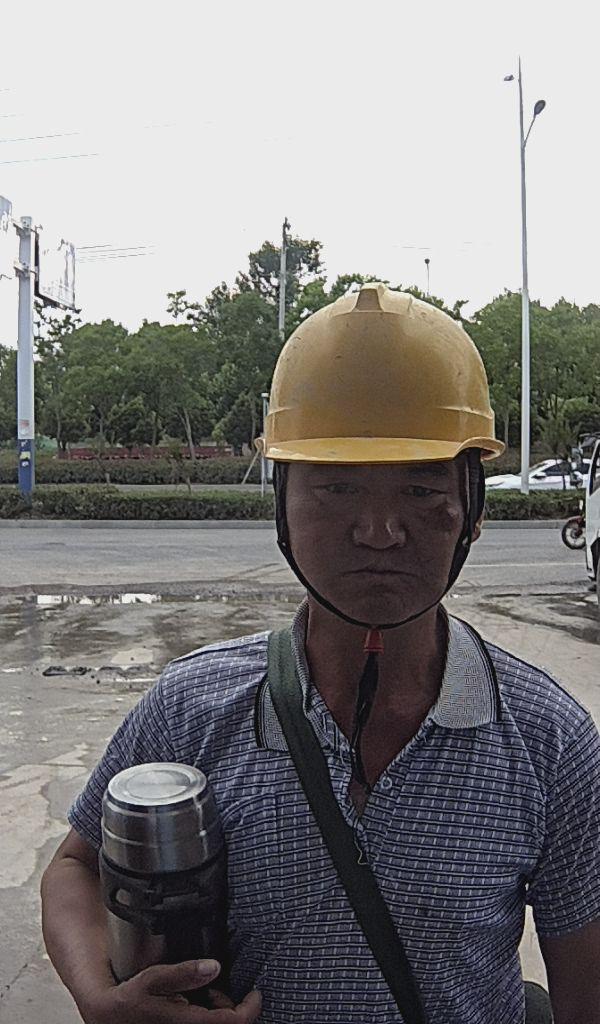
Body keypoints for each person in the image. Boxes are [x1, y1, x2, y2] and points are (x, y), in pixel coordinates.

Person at [42, 284, 600, 1023]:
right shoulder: (192, 707)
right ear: (282, 502)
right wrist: (100, 998)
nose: (379, 531)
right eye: (336, 488)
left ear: (472, 507)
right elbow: (75, 867)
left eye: (421, 488)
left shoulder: (549, 741)